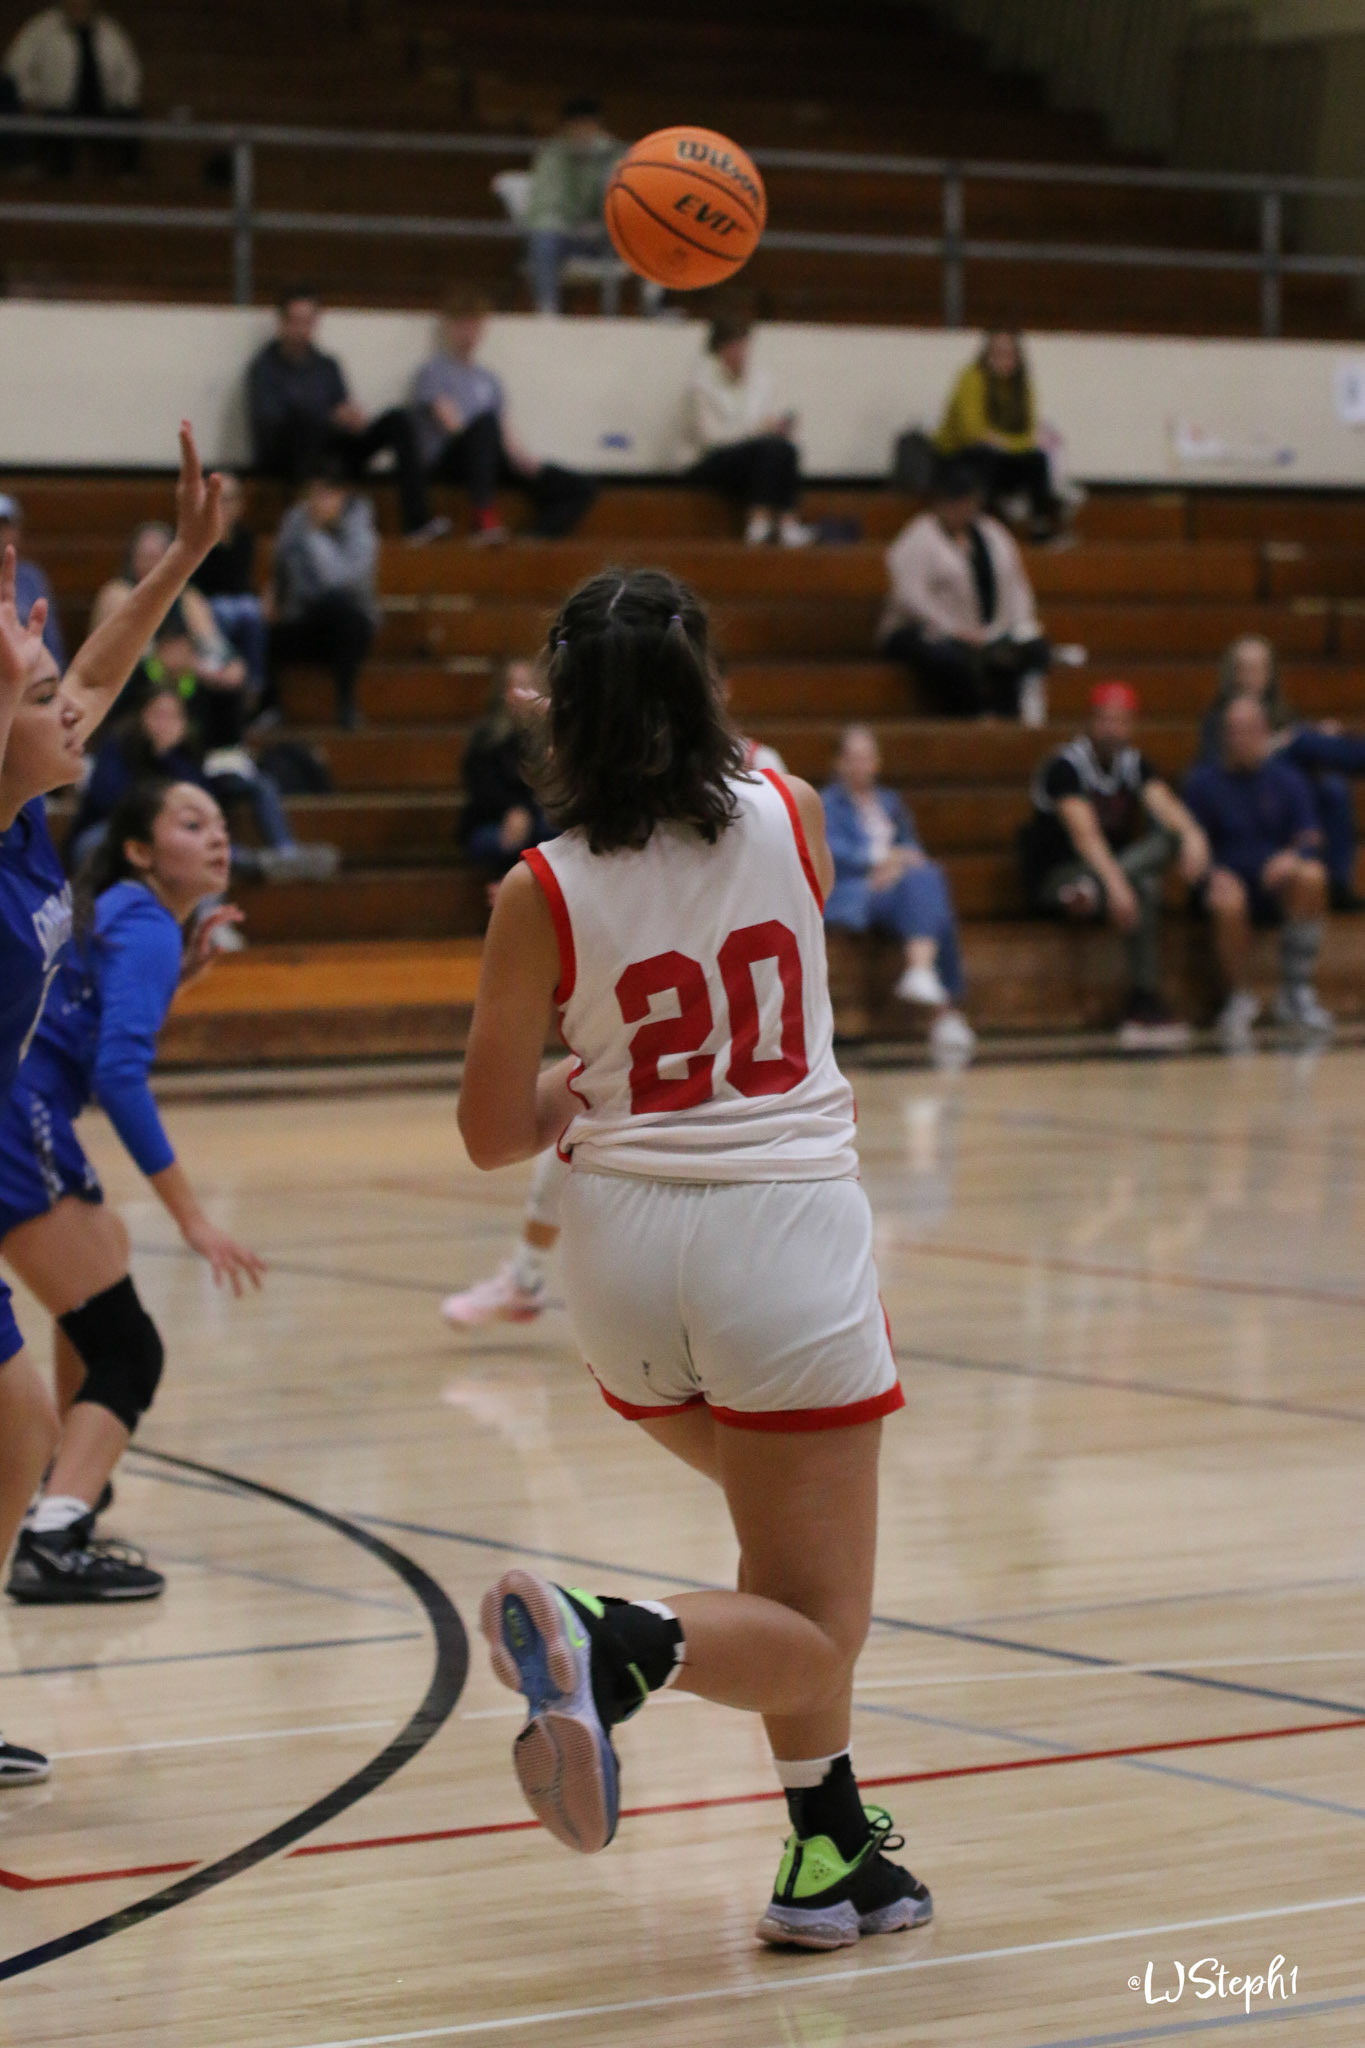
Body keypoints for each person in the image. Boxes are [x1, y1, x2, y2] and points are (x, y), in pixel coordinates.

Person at [459, 566, 932, 1949]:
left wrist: (600, 1072)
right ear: (703, 685)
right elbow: (728, 817)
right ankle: (618, 1640)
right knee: (819, 1619)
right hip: (777, 1242)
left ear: (565, 716)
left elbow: (492, 1134)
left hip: (619, 1263)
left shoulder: (536, 887)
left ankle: (830, 1851)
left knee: (787, 1569)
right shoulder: (796, 810)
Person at [0, 420, 223, 1781]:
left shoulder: (26, 815)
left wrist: (184, 556)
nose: (71, 706)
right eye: (38, 696)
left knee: (24, 1424)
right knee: (25, 1418)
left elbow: (92, 666)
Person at [3, 779, 265, 1604]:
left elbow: (86, 1014)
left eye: (221, 823)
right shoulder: (147, 924)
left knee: (105, 1250)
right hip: (19, 1116)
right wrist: (193, 1219)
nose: (217, 837)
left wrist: (177, 977)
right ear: (141, 851)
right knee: (130, 1349)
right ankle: (55, 1533)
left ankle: (65, 1479)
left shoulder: (123, 911)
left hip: (20, 1107)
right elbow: (117, 1074)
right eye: (192, 823)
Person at [443, 723, 788, 1329]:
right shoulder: (786, 801)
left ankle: (529, 1275)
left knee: (593, 1118)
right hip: (781, 1153)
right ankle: (526, 1273)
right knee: (586, 1124)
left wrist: (544, 909)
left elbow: (490, 1137)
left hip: (730, 1015)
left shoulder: (760, 778)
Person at [1021, 682, 1210, 1048]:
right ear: (1089, 721)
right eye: (1104, 720)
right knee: (1141, 886)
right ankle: (1144, 1001)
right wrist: (1116, 884)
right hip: (1062, 875)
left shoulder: (1134, 763)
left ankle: (1142, 1002)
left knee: (1167, 845)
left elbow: (1166, 807)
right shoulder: (1065, 766)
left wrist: (1193, 835)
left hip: (1102, 878)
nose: (1112, 729)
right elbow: (1086, 836)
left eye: (1120, 721)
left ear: (1132, 724)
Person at [67, 681, 337, 881]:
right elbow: (108, 799)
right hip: (115, 828)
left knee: (195, 842)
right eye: (158, 714)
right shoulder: (118, 744)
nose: (165, 723)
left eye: (173, 716)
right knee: (92, 844)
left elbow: (202, 800)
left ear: (184, 724)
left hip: (166, 834)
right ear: (141, 717)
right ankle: (253, 863)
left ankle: (265, 868)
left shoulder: (184, 754)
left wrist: (167, 757)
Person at [821, 724, 975, 1066]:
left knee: (928, 879)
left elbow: (911, 848)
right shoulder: (827, 803)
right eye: (853, 757)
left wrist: (899, 865)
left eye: (867, 757)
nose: (861, 765)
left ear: (877, 762)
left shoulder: (890, 802)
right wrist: (882, 862)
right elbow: (831, 853)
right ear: (839, 762)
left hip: (896, 888)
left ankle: (922, 974)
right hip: (856, 890)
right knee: (928, 888)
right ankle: (945, 1010)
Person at [1184, 694, 1333, 1048]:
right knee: (1227, 898)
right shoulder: (1202, 782)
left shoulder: (1288, 779)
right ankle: (1239, 998)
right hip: (1228, 880)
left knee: (1312, 875)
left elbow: (1310, 836)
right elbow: (1192, 848)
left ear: (1265, 732)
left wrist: (1292, 857)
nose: (1239, 739)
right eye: (1232, 731)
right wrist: (1211, 874)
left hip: (1273, 883)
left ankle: (1296, 992)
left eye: (1247, 730)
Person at [246, 291, 447, 544]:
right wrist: (325, 416)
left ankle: (417, 522)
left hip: (332, 450)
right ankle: (310, 527)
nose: (301, 330)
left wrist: (352, 418)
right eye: (295, 321)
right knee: (305, 429)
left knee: (398, 421)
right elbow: (270, 422)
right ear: (282, 323)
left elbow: (341, 409)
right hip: (289, 454)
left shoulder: (326, 365)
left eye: (307, 321)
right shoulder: (264, 367)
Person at [410, 292, 597, 545]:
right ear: (449, 326)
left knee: (579, 486)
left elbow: (504, 427)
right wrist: (486, 437)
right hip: (451, 460)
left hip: (490, 458)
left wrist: (524, 459)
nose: (469, 333)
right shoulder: (434, 371)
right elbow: (453, 425)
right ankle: (482, 517)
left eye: (475, 325)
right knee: (484, 427)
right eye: (463, 324)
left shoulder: (489, 379)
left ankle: (534, 538)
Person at [1203, 633, 1365, 913]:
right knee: (1302, 740)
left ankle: (1338, 885)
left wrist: (1313, 734)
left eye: (1259, 667)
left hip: (1287, 789)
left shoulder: (1281, 710)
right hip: (1247, 789)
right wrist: (1277, 744)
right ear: (1232, 673)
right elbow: (1216, 769)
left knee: (1334, 787)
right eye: (1245, 668)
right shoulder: (1221, 716)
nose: (1252, 676)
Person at [879, 464, 1050, 722]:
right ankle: (973, 716)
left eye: (970, 503)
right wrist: (952, 629)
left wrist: (1014, 625)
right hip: (929, 631)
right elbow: (908, 595)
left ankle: (1014, 717)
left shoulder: (992, 534)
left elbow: (1016, 586)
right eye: (957, 503)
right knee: (948, 659)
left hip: (985, 633)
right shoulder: (919, 537)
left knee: (1030, 650)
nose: (964, 510)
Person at [91, 519, 251, 746]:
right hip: (131, 690)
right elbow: (128, 656)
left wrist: (223, 666)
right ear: (131, 560)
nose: (152, 565)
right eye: (145, 557)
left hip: (181, 687)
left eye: (159, 557)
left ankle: (225, 754)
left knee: (226, 688)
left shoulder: (188, 598)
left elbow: (218, 651)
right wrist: (166, 659)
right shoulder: (117, 593)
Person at [681, 317, 813, 548]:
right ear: (720, 349)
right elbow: (711, 437)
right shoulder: (701, 384)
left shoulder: (760, 381)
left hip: (756, 459)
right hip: (714, 460)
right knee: (769, 449)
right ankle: (759, 520)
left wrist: (777, 427)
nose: (740, 353)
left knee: (786, 449)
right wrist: (758, 431)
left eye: (743, 345)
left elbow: (768, 422)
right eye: (734, 346)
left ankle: (786, 522)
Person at [269, 470, 378, 731]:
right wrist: (273, 594)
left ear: (341, 496)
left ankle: (346, 703)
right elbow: (280, 566)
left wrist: (314, 534)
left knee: (340, 610)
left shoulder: (361, 529)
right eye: (312, 495)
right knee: (262, 624)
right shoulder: (294, 520)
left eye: (324, 495)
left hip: (349, 624)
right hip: (304, 618)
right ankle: (270, 706)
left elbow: (337, 581)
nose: (316, 503)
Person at [935, 330, 1061, 537]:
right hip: (958, 455)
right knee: (985, 457)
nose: (1003, 360)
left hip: (1001, 453)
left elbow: (1030, 435)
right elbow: (971, 433)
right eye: (997, 353)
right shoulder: (972, 378)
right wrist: (1007, 443)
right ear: (986, 354)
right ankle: (983, 524)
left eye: (1009, 354)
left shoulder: (1022, 385)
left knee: (1037, 460)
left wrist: (1002, 442)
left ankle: (1040, 525)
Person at [4, 0, 141, 176]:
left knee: (130, 118)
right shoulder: (41, 27)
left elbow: (129, 70)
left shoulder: (109, 30)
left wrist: (126, 99)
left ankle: (128, 177)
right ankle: (59, 178)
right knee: (59, 128)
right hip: (56, 107)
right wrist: (29, 97)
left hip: (103, 107)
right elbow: (15, 67)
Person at [524, 98, 627, 315]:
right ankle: (547, 310)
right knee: (543, 236)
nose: (582, 132)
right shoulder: (552, 154)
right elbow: (546, 204)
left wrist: (602, 224)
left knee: (652, 225)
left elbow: (623, 201)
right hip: (565, 235)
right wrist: (571, 226)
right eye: (576, 126)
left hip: (605, 234)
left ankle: (653, 307)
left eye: (588, 125)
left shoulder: (615, 153)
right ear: (566, 128)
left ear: (598, 126)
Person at [461, 659, 552, 882]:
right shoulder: (486, 739)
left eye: (527, 686)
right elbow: (482, 790)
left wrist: (526, 811)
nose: (521, 694)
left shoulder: (547, 738)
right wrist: (513, 810)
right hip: (493, 820)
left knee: (550, 833)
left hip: (537, 817)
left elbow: (551, 786)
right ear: (503, 692)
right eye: (515, 685)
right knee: (501, 839)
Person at [191, 473, 269, 702]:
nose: (224, 506)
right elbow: (196, 585)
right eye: (219, 499)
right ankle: (220, 681)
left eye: (230, 499)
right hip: (204, 605)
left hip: (238, 603)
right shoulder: (197, 536)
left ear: (240, 505)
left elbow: (242, 581)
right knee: (224, 614)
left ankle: (254, 686)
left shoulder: (245, 538)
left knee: (252, 613)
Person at [0, 494, 65, 667]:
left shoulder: (32, 577)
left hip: (29, 672)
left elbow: (52, 644)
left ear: (17, 531)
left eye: (4, 526)